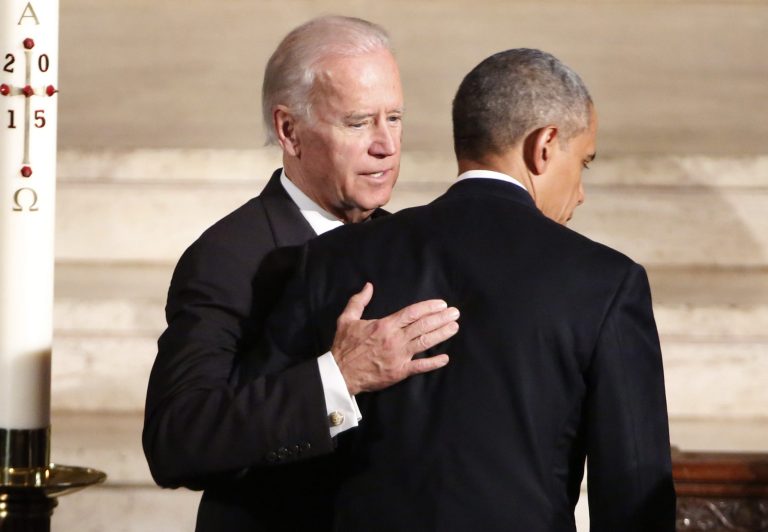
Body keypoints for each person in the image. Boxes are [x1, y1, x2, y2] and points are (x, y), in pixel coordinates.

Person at [253, 48, 676, 531]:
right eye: (584, 162)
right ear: (544, 146)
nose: (580, 192)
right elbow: (634, 498)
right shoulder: (606, 282)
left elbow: (262, 450)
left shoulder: (335, 258)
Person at [142, 16, 459, 532]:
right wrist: (339, 378)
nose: (386, 144)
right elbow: (177, 440)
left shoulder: (410, 245)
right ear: (290, 131)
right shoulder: (229, 256)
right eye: (358, 123)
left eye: (394, 118)